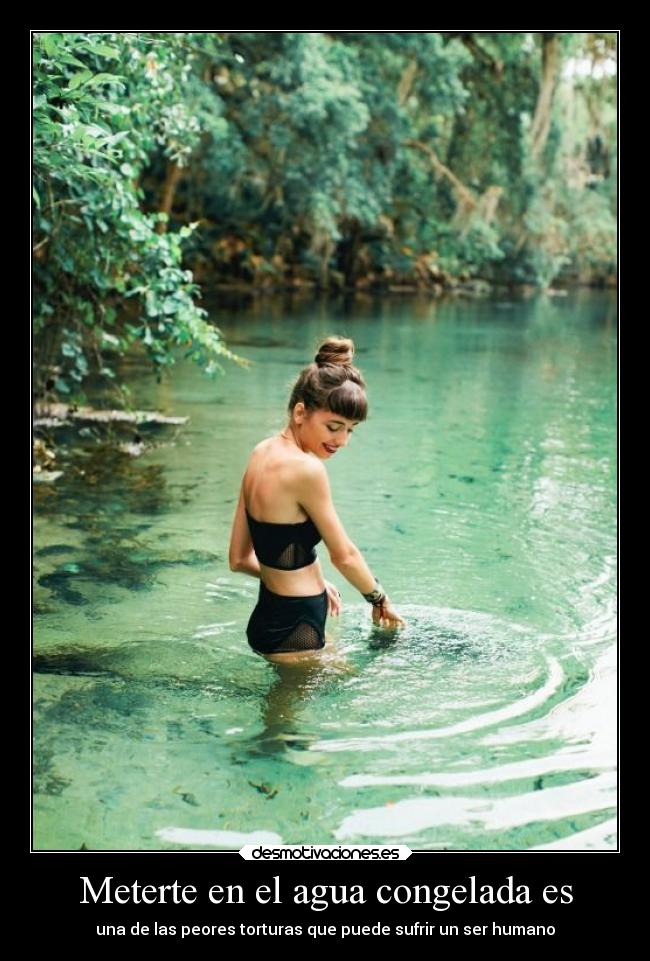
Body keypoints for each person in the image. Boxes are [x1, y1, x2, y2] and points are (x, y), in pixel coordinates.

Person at [228, 335, 405, 665]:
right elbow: (345, 556)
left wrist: (309, 579)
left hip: (268, 617)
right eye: (333, 426)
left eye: (350, 430)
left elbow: (238, 559)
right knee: (300, 712)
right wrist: (378, 598)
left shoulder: (261, 452)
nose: (342, 441)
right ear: (300, 412)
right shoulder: (306, 469)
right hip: (298, 626)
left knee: (289, 710)